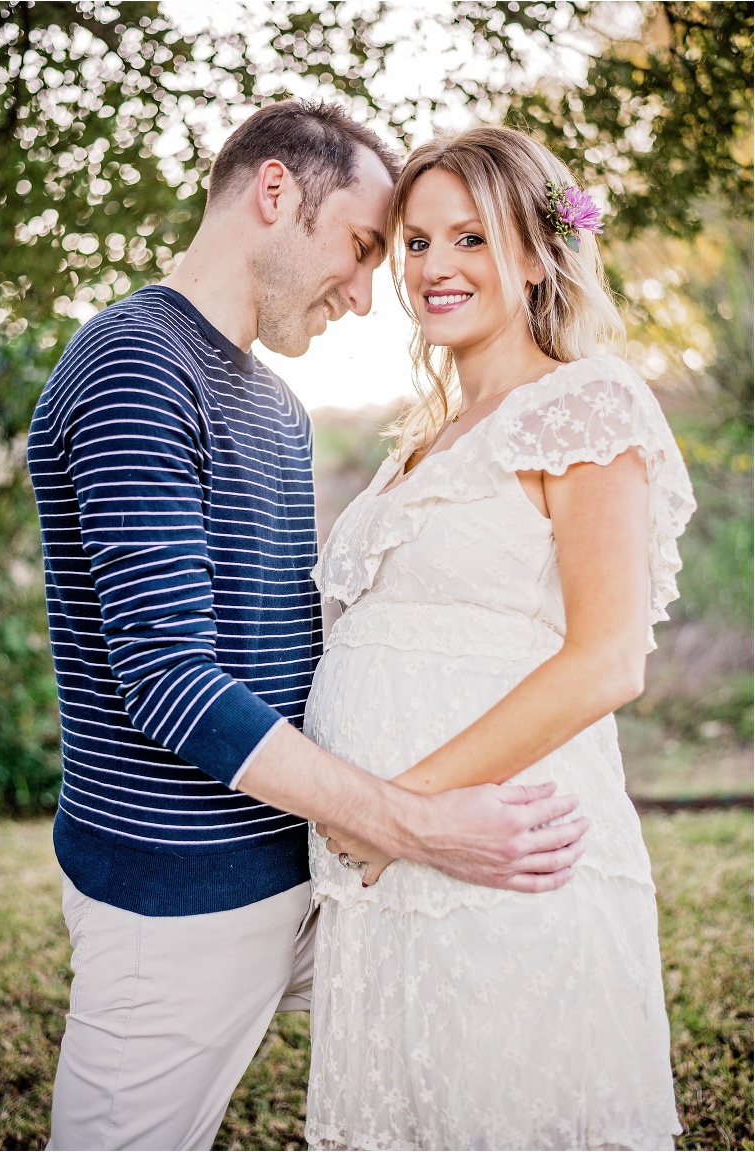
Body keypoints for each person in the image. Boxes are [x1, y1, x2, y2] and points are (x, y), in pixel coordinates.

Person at [28, 101, 587, 1152]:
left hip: (312, 873)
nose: (373, 291)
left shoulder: (275, 405)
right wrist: (409, 823)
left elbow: (306, 636)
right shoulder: (134, 365)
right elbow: (167, 681)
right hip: (179, 901)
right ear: (276, 193)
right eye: (367, 247)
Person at [304, 126, 696, 1151]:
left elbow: (609, 659)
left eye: (472, 238)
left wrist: (390, 814)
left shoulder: (582, 406)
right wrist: (372, 826)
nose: (436, 268)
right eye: (418, 244)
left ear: (536, 254)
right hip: (395, 860)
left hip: (494, 847)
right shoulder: (420, 440)